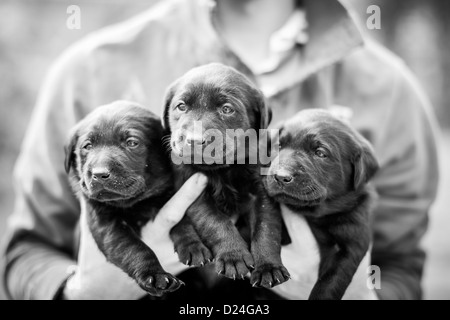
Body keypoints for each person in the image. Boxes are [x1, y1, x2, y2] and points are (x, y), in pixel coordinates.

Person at [1, 0, 439, 300]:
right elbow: (25, 251)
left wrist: (354, 294)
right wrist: (80, 291)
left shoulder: (390, 91)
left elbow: (400, 263)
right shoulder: (87, 70)